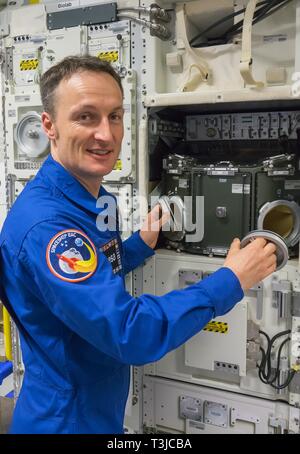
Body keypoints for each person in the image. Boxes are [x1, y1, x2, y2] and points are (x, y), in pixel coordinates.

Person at [0, 55, 277, 434]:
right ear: (48, 125)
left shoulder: (92, 197)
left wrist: (139, 246)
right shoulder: (48, 227)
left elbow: (94, 270)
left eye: (114, 116)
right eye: (86, 117)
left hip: (96, 405)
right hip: (66, 418)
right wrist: (231, 279)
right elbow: (129, 332)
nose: (107, 134)